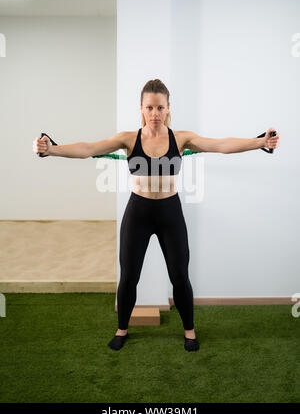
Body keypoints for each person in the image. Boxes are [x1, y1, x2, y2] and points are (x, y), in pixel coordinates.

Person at [33, 78, 280, 352]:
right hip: (138, 212)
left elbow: (221, 145)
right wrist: (52, 149)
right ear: (141, 108)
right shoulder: (128, 139)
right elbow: (88, 149)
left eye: (160, 108)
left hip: (169, 212)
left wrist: (259, 142)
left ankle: (189, 331)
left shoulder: (180, 138)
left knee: (180, 276)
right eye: (149, 107)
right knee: (128, 276)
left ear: (168, 108)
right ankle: (122, 329)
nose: (155, 114)